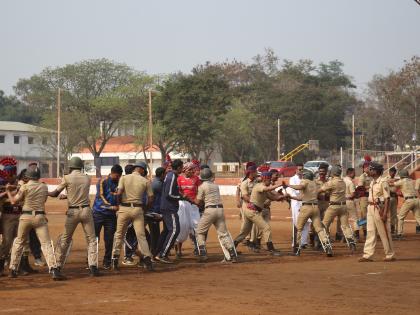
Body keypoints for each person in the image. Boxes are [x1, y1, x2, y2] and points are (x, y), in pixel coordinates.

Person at [6, 167, 65, 280]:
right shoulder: (44, 187)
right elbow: (43, 201)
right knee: (46, 243)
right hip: (39, 216)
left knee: (19, 242)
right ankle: (53, 270)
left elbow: (14, 201)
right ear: (38, 177)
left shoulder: (24, 187)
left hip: (25, 217)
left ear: (27, 177)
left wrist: (8, 191)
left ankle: (13, 269)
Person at [49, 156, 100, 276]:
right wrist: (68, 196)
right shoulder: (87, 178)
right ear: (81, 167)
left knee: (65, 239)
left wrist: (43, 191)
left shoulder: (67, 178)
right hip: (86, 210)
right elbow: (79, 192)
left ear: (71, 167)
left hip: (73, 211)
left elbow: (55, 193)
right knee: (91, 239)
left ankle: (57, 267)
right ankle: (93, 266)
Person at [111, 162, 154, 271]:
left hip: (124, 208)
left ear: (135, 168)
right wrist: (145, 209)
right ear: (142, 170)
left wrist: (119, 203)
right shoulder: (145, 181)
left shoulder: (124, 178)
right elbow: (151, 198)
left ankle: (114, 259)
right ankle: (147, 260)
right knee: (141, 235)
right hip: (138, 209)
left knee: (119, 234)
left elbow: (119, 192)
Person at [233, 170, 284, 256]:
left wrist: (284, 196)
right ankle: (271, 249)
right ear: (265, 179)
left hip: (250, 211)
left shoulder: (263, 188)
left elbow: (273, 197)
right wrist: (280, 184)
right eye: (269, 179)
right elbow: (268, 189)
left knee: (244, 233)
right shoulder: (259, 186)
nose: (271, 181)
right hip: (252, 211)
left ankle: (232, 248)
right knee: (266, 228)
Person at [284, 170, 332, 256]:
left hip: (306, 208)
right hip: (315, 208)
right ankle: (327, 247)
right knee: (319, 229)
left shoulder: (305, 182)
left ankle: (297, 249)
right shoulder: (314, 184)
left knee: (299, 228)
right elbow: (302, 197)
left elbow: (299, 187)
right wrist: (291, 197)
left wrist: (288, 185)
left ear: (305, 176)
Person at [194, 168, 237, 263]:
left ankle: (203, 254)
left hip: (209, 210)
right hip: (220, 210)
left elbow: (198, 202)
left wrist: (188, 198)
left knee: (199, 232)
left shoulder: (202, 186)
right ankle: (233, 255)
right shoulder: (215, 185)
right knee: (223, 234)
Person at [359, 162, 395, 262]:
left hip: (379, 208)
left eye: (371, 169)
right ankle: (367, 255)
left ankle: (390, 254)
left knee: (384, 232)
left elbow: (387, 198)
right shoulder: (372, 182)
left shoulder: (383, 182)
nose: (369, 171)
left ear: (376, 171)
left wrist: (384, 213)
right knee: (370, 231)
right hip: (370, 207)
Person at [320, 165, 356, 253]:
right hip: (343, 206)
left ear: (333, 172)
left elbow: (321, 190)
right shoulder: (342, 182)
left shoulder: (332, 182)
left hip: (333, 206)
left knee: (323, 226)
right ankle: (351, 242)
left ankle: (327, 245)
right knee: (345, 226)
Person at [92, 164, 122, 270]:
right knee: (94, 238)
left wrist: (119, 206)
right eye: (117, 176)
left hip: (111, 216)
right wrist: (111, 206)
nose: (118, 178)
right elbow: (100, 197)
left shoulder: (120, 182)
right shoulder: (102, 181)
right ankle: (92, 261)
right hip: (98, 213)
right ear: (112, 173)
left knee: (109, 239)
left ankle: (107, 261)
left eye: (119, 176)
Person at [155, 159, 184, 264]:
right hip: (169, 207)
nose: (183, 168)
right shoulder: (172, 176)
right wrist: (181, 197)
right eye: (182, 166)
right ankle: (162, 254)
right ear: (179, 167)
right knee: (175, 230)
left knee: (167, 231)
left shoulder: (170, 175)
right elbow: (169, 194)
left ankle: (157, 253)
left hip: (167, 207)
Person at [0, 162, 22, 276]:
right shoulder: (2, 183)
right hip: (7, 216)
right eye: (7, 174)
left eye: (11, 174)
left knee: (19, 241)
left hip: (20, 215)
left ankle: (17, 266)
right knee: (7, 242)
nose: (8, 176)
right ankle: (1, 266)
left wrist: (13, 189)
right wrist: (7, 191)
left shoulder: (20, 183)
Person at [175, 162, 201, 258]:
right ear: (184, 170)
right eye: (189, 170)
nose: (192, 171)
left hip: (194, 206)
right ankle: (178, 251)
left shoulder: (196, 179)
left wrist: (198, 200)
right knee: (182, 226)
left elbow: (200, 190)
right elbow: (177, 191)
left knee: (196, 228)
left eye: (192, 169)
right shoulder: (179, 178)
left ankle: (198, 249)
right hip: (182, 205)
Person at [287, 163, 310, 249]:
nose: (301, 171)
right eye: (299, 169)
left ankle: (303, 242)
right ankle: (295, 244)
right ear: (296, 170)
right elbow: (293, 192)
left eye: (302, 169)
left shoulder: (305, 179)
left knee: (307, 222)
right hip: (296, 203)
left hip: (305, 203)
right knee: (297, 224)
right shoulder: (292, 179)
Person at [392, 169, 420, 239]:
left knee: (400, 217)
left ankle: (399, 234)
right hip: (416, 200)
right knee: (418, 218)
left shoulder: (402, 181)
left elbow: (392, 184)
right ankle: (399, 233)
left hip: (409, 201)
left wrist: (388, 181)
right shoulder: (410, 180)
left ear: (402, 175)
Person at [237, 163, 258, 250]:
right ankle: (245, 239)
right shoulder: (243, 181)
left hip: (253, 204)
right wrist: (238, 200)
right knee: (245, 222)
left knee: (252, 223)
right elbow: (238, 190)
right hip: (245, 203)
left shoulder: (256, 180)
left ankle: (251, 240)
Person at [356, 157, 372, 239]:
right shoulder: (362, 177)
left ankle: (369, 231)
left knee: (371, 215)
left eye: (369, 167)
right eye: (367, 167)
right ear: (364, 168)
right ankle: (362, 231)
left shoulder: (372, 176)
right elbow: (360, 188)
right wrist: (370, 187)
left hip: (371, 198)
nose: (369, 168)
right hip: (364, 198)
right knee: (364, 216)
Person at [344, 168, 360, 241]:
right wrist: (357, 194)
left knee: (344, 219)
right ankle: (356, 236)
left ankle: (346, 237)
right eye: (354, 173)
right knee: (355, 219)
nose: (355, 174)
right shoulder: (350, 182)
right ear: (350, 173)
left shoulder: (342, 180)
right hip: (349, 201)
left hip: (343, 202)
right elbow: (353, 194)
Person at [386, 167, 399, 235]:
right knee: (386, 213)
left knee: (393, 214)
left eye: (394, 172)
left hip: (394, 197)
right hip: (388, 197)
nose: (392, 173)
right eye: (391, 172)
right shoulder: (386, 179)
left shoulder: (396, 179)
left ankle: (393, 229)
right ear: (389, 172)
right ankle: (385, 229)